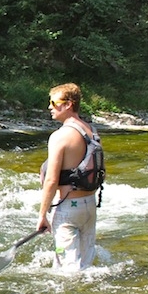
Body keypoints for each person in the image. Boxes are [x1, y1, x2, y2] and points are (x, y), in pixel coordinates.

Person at [36, 83, 101, 271]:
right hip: (89, 206)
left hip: (68, 210)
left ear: (68, 104)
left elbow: (51, 180)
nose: (50, 107)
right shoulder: (91, 131)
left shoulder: (60, 136)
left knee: (66, 269)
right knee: (86, 266)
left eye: (53, 103)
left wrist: (42, 215)